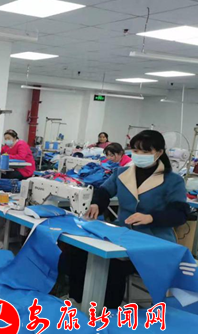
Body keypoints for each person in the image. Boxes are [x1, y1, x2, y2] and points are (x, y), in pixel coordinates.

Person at [69, 130, 189, 308]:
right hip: (122, 234)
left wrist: (151, 217)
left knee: (113, 265)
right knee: (76, 252)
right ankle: (80, 301)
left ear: (159, 153)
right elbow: (103, 192)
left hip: (154, 240)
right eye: (136, 151)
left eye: (145, 151)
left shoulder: (173, 180)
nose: (139, 155)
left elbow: (180, 214)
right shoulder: (122, 173)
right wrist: (96, 204)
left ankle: (109, 312)